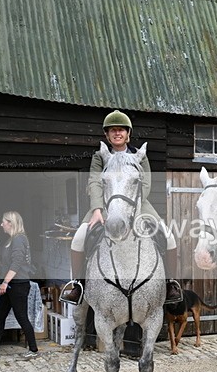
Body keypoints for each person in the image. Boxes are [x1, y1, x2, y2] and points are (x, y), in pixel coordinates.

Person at [59, 110, 181, 305]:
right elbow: (95, 183)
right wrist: (98, 209)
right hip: (105, 205)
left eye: (121, 130)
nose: (117, 133)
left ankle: (170, 284)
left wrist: (132, 207)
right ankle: (78, 285)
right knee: (78, 238)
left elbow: (146, 184)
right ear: (107, 135)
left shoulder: (140, 156)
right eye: (113, 130)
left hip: (138, 205)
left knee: (169, 236)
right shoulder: (100, 157)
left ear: (128, 133)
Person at [0, 211, 39, 359]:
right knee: (0, 316)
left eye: (3, 222)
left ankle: (33, 349)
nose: (1, 224)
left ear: (10, 223)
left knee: (21, 316)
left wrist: (5, 282)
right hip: (12, 283)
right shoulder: (10, 240)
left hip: (17, 284)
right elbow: (3, 258)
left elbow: (16, 263)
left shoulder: (19, 239)